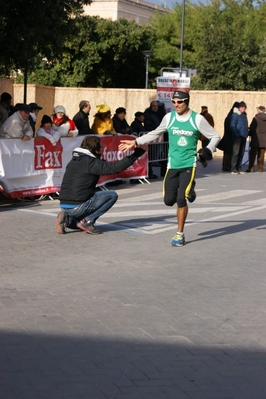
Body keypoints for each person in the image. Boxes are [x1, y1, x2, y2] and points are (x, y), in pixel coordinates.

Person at [118, 90, 221, 247]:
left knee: (181, 199)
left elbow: (215, 136)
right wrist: (136, 141)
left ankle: (180, 234)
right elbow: (155, 133)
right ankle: (191, 189)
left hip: (189, 163)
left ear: (187, 102)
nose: (176, 105)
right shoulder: (169, 117)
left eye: (179, 102)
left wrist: (209, 149)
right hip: (172, 164)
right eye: (173, 102)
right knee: (168, 201)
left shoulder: (197, 119)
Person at [55, 135, 146, 235]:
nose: (102, 150)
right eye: (101, 148)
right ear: (96, 150)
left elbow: (104, 165)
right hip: (77, 206)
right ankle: (88, 221)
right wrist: (136, 154)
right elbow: (115, 168)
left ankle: (67, 218)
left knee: (76, 224)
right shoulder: (91, 163)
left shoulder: (73, 161)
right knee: (111, 195)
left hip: (64, 205)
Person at [217, 102, 239, 172]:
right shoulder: (232, 117)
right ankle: (227, 166)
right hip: (230, 137)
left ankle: (226, 165)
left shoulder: (229, 116)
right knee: (229, 153)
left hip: (227, 136)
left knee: (227, 153)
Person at [230, 101, 249, 174]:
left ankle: (239, 167)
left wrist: (246, 133)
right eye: (242, 107)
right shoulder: (235, 115)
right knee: (236, 153)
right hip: (237, 137)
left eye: (244, 107)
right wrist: (237, 134)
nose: (243, 108)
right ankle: (233, 168)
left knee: (241, 153)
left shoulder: (244, 115)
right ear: (239, 107)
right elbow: (232, 125)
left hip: (243, 136)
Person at [246, 105, 266, 173]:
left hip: (256, 139)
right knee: (261, 155)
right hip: (264, 140)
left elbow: (252, 128)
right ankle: (260, 169)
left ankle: (251, 168)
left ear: (259, 111)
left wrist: (250, 133)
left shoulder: (256, 118)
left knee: (252, 154)